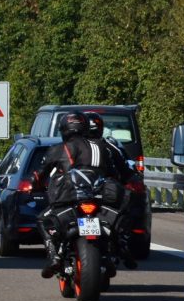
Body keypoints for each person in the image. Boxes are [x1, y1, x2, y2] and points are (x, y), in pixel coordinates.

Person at [37, 111, 124, 278]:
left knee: (43, 219)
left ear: (63, 129)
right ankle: (113, 255)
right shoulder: (100, 146)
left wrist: (37, 185)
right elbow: (114, 173)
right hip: (99, 198)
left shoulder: (57, 149)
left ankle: (54, 255)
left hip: (69, 199)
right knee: (117, 220)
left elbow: (40, 174)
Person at [84, 111, 139, 269]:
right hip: (103, 192)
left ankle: (121, 244)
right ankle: (123, 244)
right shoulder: (109, 146)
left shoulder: (71, 146)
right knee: (124, 212)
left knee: (123, 211)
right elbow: (126, 170)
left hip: (82, 193)